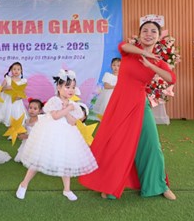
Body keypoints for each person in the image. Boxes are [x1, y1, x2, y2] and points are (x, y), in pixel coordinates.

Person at [79, 21, 177, 200]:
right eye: (145, 31)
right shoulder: (130, 51)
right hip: (120, 103)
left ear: (158, 36)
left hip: (139, 104)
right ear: (139, 34)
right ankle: (109, 185)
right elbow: (122, 46)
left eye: (153, 31)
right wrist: (144, 52)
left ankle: (159, 185)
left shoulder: (158, 61)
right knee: (117, 144)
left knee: (152, 145)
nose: (149, 34)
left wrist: (151, 65)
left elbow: (171, 78)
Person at [16, 70, 98, 201]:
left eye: (73, 87)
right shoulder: (54, 100)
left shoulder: (73, 104)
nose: (71, 90)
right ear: (59, 87)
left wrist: (69, 109)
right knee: (39, 159)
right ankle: (24, 184)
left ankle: (67, 189)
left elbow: (72, 122)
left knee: (66, 161)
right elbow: (55, 116)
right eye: (67, 87)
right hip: (50, 133)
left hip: (66, 135)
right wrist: (67, 109)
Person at [14, 98, 43, 163]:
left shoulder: (39, 121)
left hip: (35, 141)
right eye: (30, 108)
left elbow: (38, 134)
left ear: (39, 111)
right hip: (27, 141)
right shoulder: (27, 120)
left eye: (35, 109)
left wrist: (27, 136)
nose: (32, 110)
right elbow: (24, 130)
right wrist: (21, 134)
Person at [1, 62, 28, 127]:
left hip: (17, 100)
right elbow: (0, 89)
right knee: (8, 110)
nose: (16, 71)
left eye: (18, 69)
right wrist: (6, 87)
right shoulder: (7, 79)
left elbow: (23, 93)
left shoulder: (22, 81)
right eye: (14, 69)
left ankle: (16, 122)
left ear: (21, 71)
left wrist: (19, 97)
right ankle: (8, 121)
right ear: (11, 70)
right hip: (8, 100)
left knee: (16, 111)